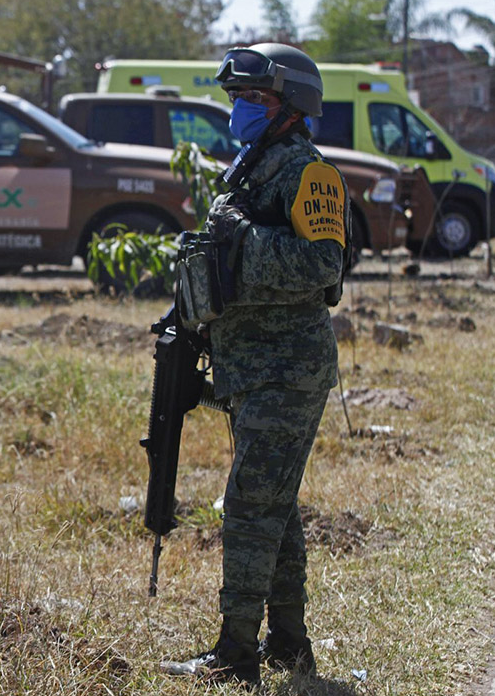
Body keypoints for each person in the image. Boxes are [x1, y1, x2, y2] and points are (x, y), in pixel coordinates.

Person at [161, 44, 348, 687]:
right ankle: (291, 644)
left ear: (288, 108)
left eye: (252, 99)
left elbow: (323, 267)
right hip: (250, 369)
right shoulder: (250, 166)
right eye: (235, 99)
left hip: (287, 370)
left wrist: (244, 245)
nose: (238, 110)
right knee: (276, 507)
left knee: (247, 506)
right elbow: (223, 257)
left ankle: (236, 652)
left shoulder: (308, 173)